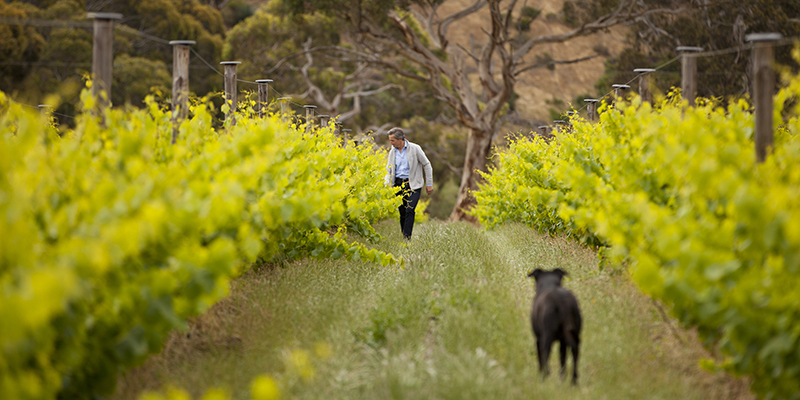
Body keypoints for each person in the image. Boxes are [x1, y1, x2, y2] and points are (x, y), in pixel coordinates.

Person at [384, 127, 434, 240]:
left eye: (392, 140)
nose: (390, 142)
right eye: (390, 140)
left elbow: (427, 165)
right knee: (402, 212)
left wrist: (429, 184)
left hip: (413, 184)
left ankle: (407, 238)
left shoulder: (415, 148)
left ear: (400, 139)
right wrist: (387, 182)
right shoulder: (392, 152)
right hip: (398, 184)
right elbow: (389, 170)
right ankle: (404, 235)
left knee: (410, 209)